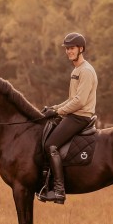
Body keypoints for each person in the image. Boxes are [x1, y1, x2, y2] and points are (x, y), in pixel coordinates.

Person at [41, 32, 98, 204]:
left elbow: (80, 101)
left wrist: (59, 112)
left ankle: (59, 190)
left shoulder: (86, 71)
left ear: (81, 49)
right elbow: (72, 98)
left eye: (72, 48)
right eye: (67, 49)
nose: (68, 51)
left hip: (80, 117)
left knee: (51, 145)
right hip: (73, 114)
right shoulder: (76, 70)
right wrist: (54, 108)